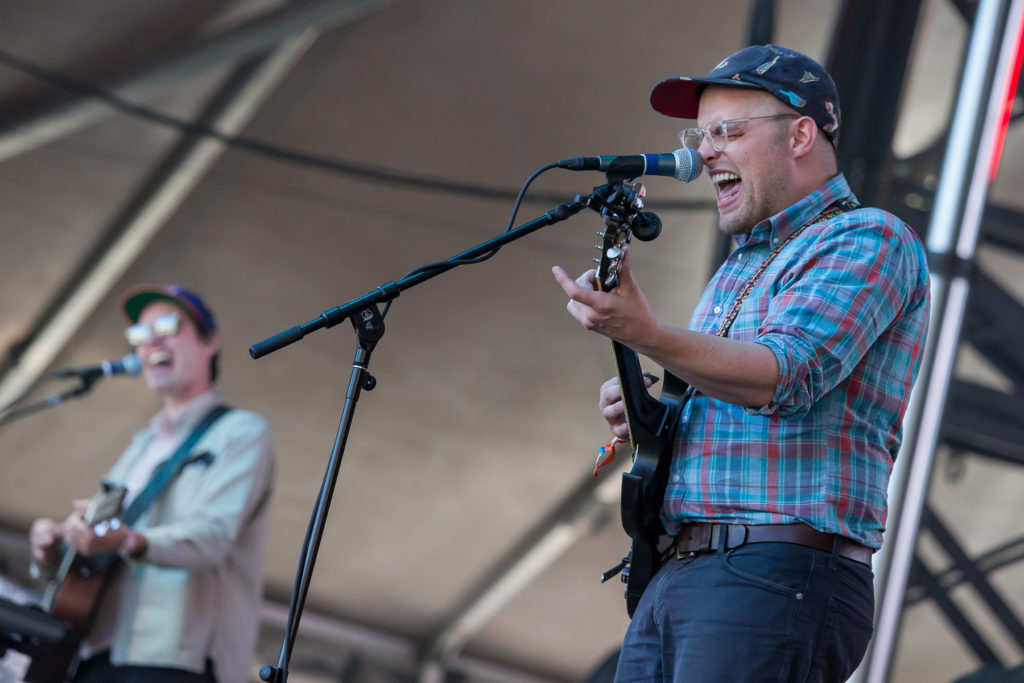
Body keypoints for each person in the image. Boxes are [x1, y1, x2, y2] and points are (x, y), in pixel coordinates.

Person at [552, 44, 931, 681]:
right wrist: (649, 407)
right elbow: (730, 395)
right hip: (687, 571)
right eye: (698, 135)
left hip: (775, 572)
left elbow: (788, 374)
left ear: (802, 134)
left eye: (727, 131)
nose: (703, 153)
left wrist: (648, 333)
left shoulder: (868, 236)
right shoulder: (741, 266)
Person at [28, 284, 276, 683]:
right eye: (140, 336)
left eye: (167, 325)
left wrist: (128, 540)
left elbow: (213, 537)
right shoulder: (141, 446)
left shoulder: (240, 431)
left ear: (209, 341)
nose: (152, 340)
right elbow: (91, 547)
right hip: (93, 655)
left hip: (176, 659)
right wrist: (54, 545)